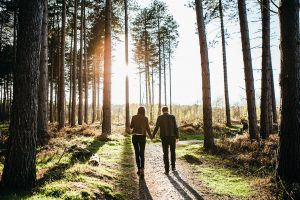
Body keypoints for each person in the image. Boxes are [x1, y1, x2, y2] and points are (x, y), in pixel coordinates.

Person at [152, 106, 179, 174]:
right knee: (173, 151)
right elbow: (176, 127)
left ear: (162, 111)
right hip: (172, 137)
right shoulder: (172, 117)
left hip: (164, 138)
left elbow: (156, 127)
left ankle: (166, 169)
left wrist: (153, 135)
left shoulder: (160, 117)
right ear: (168, 110)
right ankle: (173, 167)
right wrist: (177, 137)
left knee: (165, 153)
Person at [130, 106, 152, 178]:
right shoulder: (145, 118)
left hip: (135, 136)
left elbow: (131, 127)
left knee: (137, 153)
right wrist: (151, 136)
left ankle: (139, 169)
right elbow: (148, 128)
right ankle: (142, 169)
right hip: (142, 137)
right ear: (144, 111)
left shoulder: (134, 117)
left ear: (138, 111)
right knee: (142, 153)